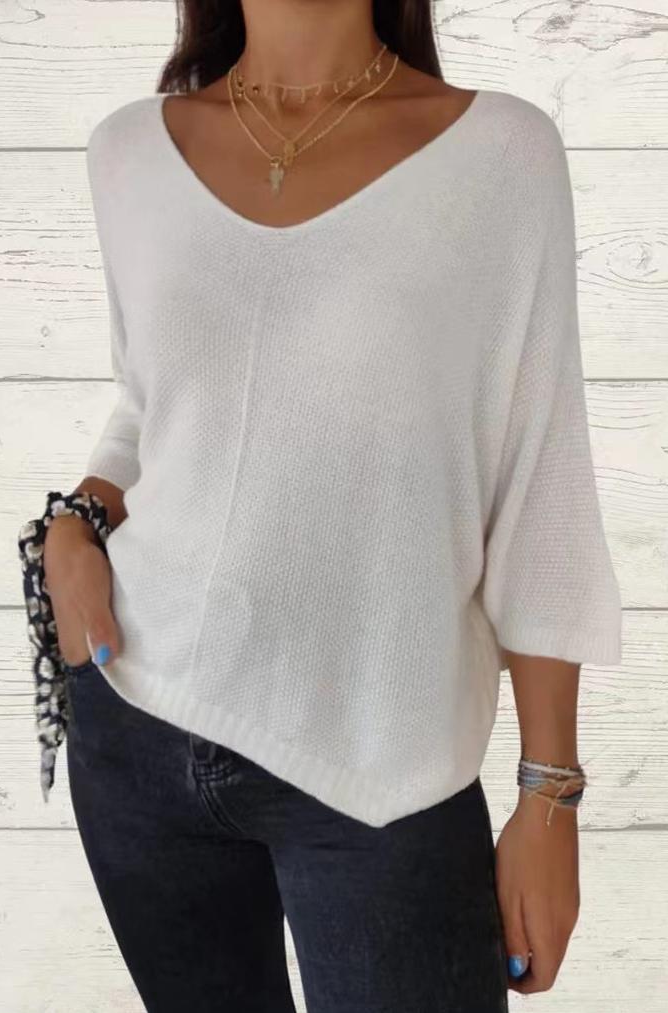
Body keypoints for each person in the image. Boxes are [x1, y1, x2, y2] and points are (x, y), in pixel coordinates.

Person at [34, 1, 623, 1010]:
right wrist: (73, 521)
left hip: (382, 755)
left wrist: (548, 791)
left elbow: (541, 477)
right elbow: (151, 403)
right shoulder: (128, 150)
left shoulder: (501, 155)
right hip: (137, 720)